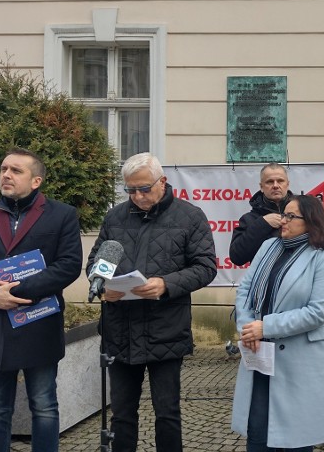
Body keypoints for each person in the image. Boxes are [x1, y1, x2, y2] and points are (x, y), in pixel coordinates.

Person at [0, 148, 83, 452]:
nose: (6, 175)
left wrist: (15, 292)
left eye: (15, 170)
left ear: (36, 180)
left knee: (45, 407)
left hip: (40, 324)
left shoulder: (62, 214)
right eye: (3, 169)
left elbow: (67, 266)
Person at [87, 152, 217, 452]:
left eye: (144, 189)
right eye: (130, 190)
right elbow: (97, 262)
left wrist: (166, 284)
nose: (137, 196)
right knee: (121, 415)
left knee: (167, 414)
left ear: (163, 182)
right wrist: (103, 286)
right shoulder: (115, 217)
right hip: (120, 330)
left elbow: (206, 267)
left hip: (165, 330)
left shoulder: (190, 216)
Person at [231, 194, 324, 452]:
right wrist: (248, 328)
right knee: (257, 432)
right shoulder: (268, 246)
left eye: (292, 216)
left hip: (301, 360)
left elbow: (316, 312)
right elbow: (245, 289)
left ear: (311, 221)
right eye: (284, 214)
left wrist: (265, 327)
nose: (284, 220)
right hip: (260, 353)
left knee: (296, 439)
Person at [229, 162, 293, 266]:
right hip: (264, 280)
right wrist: (262, 225)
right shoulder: (249, 219)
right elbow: (236, 258)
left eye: (280, 181)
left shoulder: (305, 211)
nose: (275, 185)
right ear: (261, 187)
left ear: (288, 184)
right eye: (270, 182)